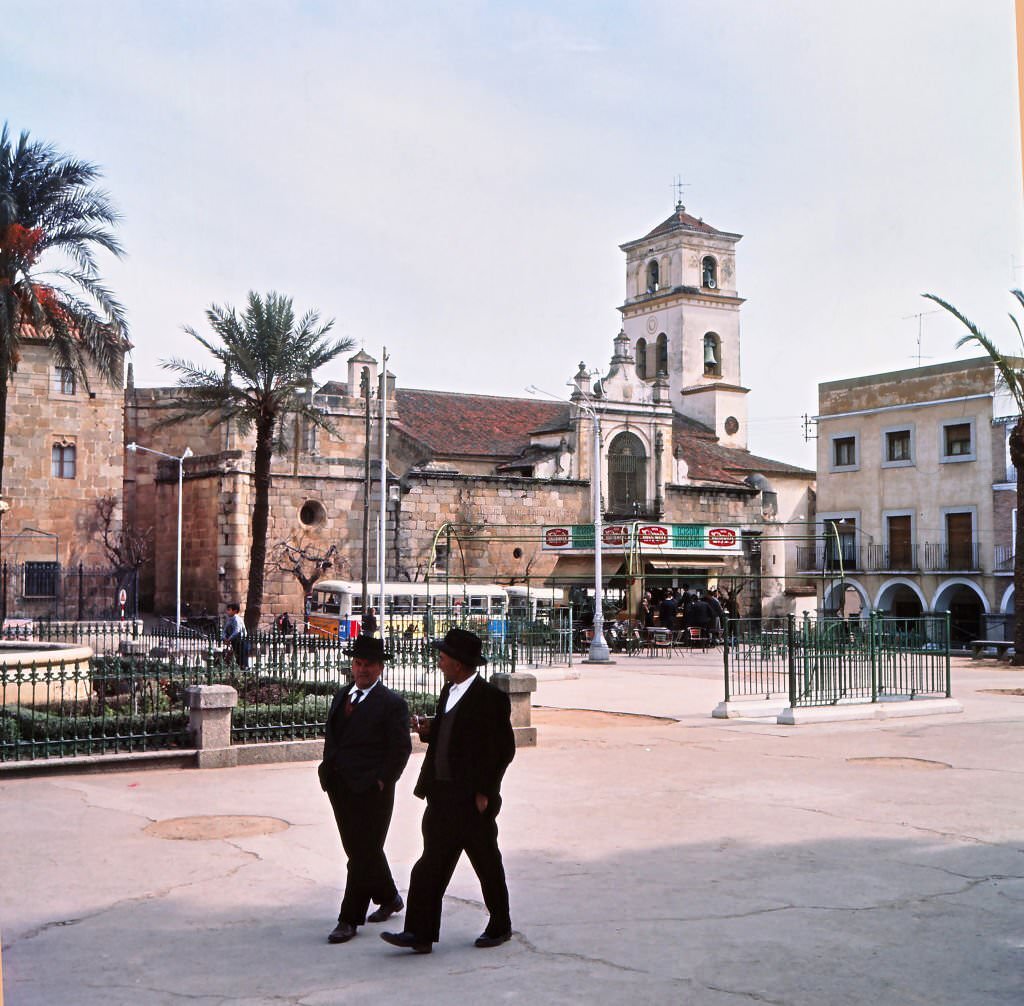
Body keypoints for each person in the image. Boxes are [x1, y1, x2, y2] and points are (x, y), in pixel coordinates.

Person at [381, 628, 516, 955]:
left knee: (486, 864)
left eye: (443, 657)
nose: (439, 661)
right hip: (440, 796)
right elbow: (451, 733)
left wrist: (486, 791)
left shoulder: (490, 698)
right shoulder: (449, 691)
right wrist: (431, 730)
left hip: (471, 801)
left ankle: (501, 924)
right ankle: (419, 932)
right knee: (428, 866)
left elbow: (503, 749)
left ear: (459, 663)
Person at [318, 634, 412, 945]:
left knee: (360, 854)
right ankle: (389, 896)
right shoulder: (342, 695)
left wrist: (383, 780)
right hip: (340, 785)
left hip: (372, 789)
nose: (362, 670)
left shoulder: (392, 704)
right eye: (358, 663)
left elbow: (401, 749)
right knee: (361, 849)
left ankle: (348, 919)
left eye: (369, 665)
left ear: (380, 668)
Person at [223, 602, 248, 668]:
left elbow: (237, 631)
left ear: (235, 611)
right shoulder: (229, 619)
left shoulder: (237, 619)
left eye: (229, 610)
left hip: (241, 641)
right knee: (237, 657)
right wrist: (225, 637)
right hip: (234, 641)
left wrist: (229, 639)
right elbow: (225, 630)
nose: (227, 611)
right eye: (227, 610)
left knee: (242, 659)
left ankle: (244, 672)